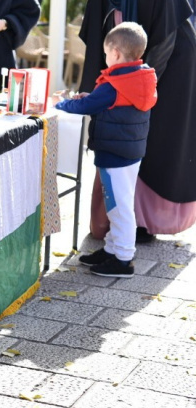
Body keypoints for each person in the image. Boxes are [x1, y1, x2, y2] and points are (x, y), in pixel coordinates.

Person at [79, 0, 196, 240]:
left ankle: (143, 222)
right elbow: (96, 33)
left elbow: (166, 37)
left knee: (155, 138)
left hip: (171, 64)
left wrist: (135, 85)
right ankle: (118, 220)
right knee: (121, 131)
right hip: (126, 63)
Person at [55, 22, 157, 278]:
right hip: (129, 153)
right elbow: (103, 102)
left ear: (116, 54)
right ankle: (112, 249)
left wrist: (61, 104)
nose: (105, 57)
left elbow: (87, 106)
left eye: (105, 52)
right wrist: (91, 97)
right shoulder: (137, 78)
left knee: (119, 206)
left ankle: (123, 258)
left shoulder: (115, 84)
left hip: (114, 155)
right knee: (119, 203)